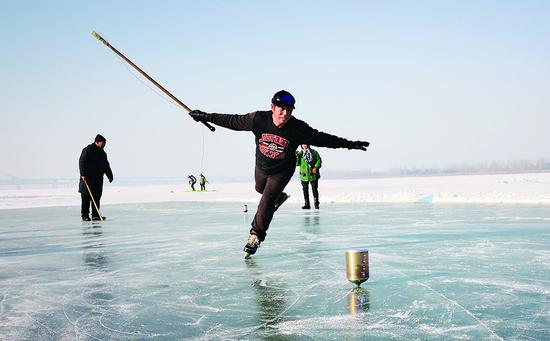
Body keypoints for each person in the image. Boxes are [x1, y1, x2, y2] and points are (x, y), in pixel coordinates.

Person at [188, 90, 369, 257]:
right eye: (282, 109)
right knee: (260, 189)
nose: (285, 113)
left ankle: (255, 236)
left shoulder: (298, 128)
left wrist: (350, 144)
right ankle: (278, 197)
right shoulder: (258, 119)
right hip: (261, 167)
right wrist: (205, 116)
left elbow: (324, 139)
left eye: (289, 110)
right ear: (272, 107)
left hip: (282, 171)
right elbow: (232, 121)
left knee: (266, 200)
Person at [79, 134, 113, 221]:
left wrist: (110, 175)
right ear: (97, 142)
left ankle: (95, 215)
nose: (104, 144)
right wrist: (82, 174)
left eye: (105, 143)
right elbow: (82, 161)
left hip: (98, 180)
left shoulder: (102, 153)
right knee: (86, 198)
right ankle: (85, 216)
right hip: (87, 178)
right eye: (103, 143)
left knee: (96, 197)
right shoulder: (88, 150)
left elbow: (106, 166)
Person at [296, 144, 322, 209]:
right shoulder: (300, 153)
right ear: (301, 145)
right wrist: (297, 157)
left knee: (314, 190)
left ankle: (316, 204)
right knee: (305, 190)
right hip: (303, 175)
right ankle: (307, 204)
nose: (304, 146)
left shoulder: (314, 152)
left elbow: (319, 160)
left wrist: (316, 167)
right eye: (303, 144)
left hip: (313, 174)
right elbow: (297, 164)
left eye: (306, 144)